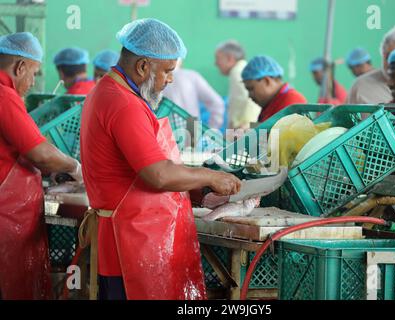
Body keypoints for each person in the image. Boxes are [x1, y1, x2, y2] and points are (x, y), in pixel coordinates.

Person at [80, 18, 241, 300]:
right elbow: (159, 174)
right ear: (143, 66)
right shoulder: (123, 103)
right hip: (129, 244)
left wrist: (195, 188)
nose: (170, 79)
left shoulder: (111, 92)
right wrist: (211, 176)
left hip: (130, 236)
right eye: (167, 71)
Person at [0, 32, 83, 300]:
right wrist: (75, 167)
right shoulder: (4, 94)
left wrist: (54, 170)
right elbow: (39, 152)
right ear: (19, 67)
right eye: (33, 73)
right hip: (5, 218)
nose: (33, 82)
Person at [242, 55, 307, 123]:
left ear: (267, 81)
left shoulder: (291, 102)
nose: (249, 96)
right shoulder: (271, 104)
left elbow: (276, 133)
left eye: (251, 89)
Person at [163, 61, 225, 129]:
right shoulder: (191, 76)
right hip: (192, 127)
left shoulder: (156, 80)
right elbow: (217, 102)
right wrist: (212, 129)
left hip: (165, 130)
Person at [215, 40, 261, 129]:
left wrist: (245, 126)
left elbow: (253, 100)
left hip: (245, 128)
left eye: (218, 59)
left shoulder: (238, 73)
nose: (216, 63)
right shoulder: (242, 70)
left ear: (229, 58)